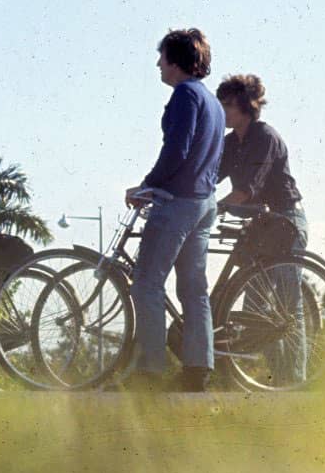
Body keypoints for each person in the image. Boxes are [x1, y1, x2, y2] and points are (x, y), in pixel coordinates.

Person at [124, 28, 225, 392]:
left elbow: (176, 150)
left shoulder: (184, 95)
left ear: (177, 60)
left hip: (178, 202)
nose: (158, 64)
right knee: (194, 289)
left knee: (147, 283)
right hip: (204, 202)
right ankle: (198, 369)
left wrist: (148, 185)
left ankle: (149, 370)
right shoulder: (212, 102)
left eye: (162, 57)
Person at [216, 74, 309, 384]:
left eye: (228, 105)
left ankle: (294, 381)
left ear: (247, 107)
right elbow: (210, 176)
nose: (223, 111)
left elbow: (246, 190)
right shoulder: (231, 143)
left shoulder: (264, 136)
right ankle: (277, 382)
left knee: (287, 306)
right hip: (261, 225)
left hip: (285, 222)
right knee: (255, 310)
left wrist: (212, 209)